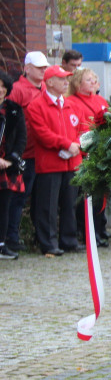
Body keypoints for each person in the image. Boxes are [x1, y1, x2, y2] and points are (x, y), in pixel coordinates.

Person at [25, 65, 82, 256]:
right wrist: (66, 144)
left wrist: (75, 145)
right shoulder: (36, 105)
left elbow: (82, 128)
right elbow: (42, 134)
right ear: (49, 82)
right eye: (61, 79)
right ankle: (48, 242)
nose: (66, 82)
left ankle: (68, 239)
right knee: (47, 206)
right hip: (50, 163)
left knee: (69, 203)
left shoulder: (71, 104)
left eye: (66, 79)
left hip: (72, 161)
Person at [4, 51, 48, 253]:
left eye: (44, 68)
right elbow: (11, 125)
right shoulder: (17, 90)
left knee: (39, 200)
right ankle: (11, 237)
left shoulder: (46, 88)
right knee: (17, 198)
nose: (42, 71)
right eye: (39, 68)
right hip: (24, 154)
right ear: (27, 68)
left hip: (42, 154)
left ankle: (40, 237)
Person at [66, 68, 111, 247]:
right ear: (78, 83)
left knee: (100, 196)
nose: (93, 82)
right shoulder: (72, 102)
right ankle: (85, 232)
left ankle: (99, 230)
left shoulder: (101, 101)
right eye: (88, 79)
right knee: (84, 197)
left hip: (100, 154)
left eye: (94, 79)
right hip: (84, 154)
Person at [0, 71, 27, 259]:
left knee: (4, 206)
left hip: (7, 166)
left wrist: (11, 159)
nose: (0, 90)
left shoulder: (14, 110)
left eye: (3, 86)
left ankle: (2, 244)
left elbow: (21, 138)